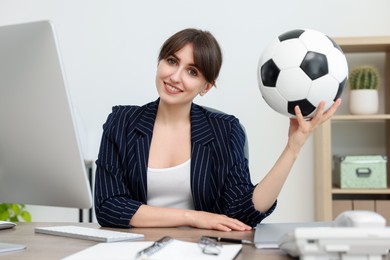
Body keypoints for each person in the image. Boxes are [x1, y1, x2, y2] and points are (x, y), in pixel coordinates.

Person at [94, 28, 340, 232]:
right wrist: (193, 217)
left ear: (206, 86)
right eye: (171, 61)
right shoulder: (121, 122)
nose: (175, 77)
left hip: (200, 249)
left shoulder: (225, 130)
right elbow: (108, 206)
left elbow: (243, 211)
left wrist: (293, 147)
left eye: (192, 71)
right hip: (134, 249)